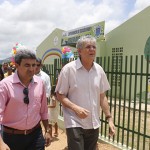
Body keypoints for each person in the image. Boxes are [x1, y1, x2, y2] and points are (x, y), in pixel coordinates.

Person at [55, 35, 115, 150]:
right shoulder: (68, 69)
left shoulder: (99, 70)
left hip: (93, 123)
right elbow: (60, 94)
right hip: (74, 122)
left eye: (94, 47)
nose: (92, 49)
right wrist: (75, 108)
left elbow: (102, 96)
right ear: (79, 51)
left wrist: (110, 119)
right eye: (88, 47)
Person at [0, 49, 51, 150]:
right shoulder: (4, 86)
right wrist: (1, 143)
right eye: (27, 65)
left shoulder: (40, 83)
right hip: (12, 138)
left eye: (34, 65)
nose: (32, 69)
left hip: (36, 136)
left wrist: (48, 130)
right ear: (17, 65)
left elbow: (44, 110)